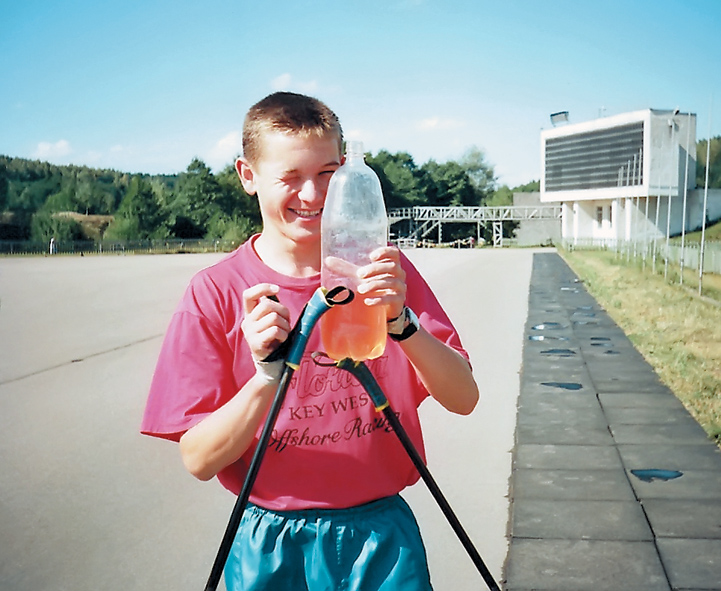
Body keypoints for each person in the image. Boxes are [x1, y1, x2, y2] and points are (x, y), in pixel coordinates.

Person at [141, 91, 479, 591]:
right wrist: (264, 377)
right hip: (272, 540)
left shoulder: (385, 272)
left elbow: (464, 398)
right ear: (248, 176)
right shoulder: (216, 292)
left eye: (326, 174)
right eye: (290, 177)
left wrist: (402, 323)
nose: (312, 195)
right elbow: (199, 459)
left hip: (380, 538)